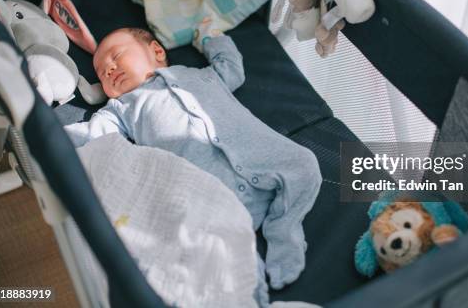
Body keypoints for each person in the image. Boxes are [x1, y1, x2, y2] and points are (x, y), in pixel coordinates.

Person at [64, 24, 322, 292]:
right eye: (100, 72)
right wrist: (48, 132)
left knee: (305, 164)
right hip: (216, 192)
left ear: (156, 50)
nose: (108, 69)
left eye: (116, 57)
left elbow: (231, 68)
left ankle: (283, 230)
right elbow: (93, 133)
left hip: (258, 153)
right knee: (219, 251)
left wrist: (211, 37)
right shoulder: (122, 108)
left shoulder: (200, 76)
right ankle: (252, 291)